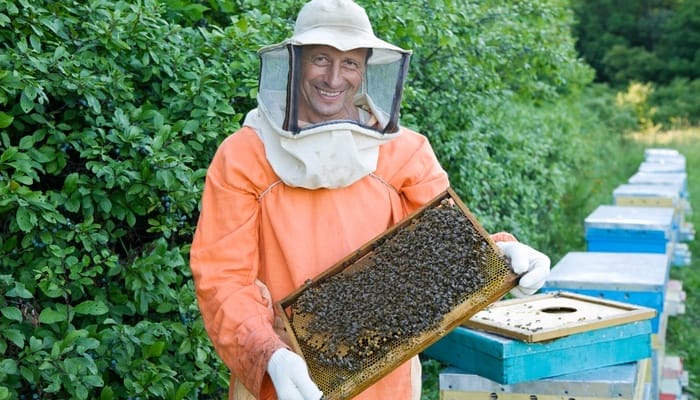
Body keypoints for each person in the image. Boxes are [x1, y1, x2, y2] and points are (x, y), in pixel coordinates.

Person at [189, 0, 551, 399]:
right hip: (283, 380)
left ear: (365, 70)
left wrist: (504, 255)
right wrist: (267, 353)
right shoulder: (244, 156)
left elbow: (447, 250)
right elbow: (224, 278)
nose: (333, 77)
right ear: (295, 62)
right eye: (321, 59)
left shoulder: (406, 153)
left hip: (385, 382)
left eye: (349, 63)